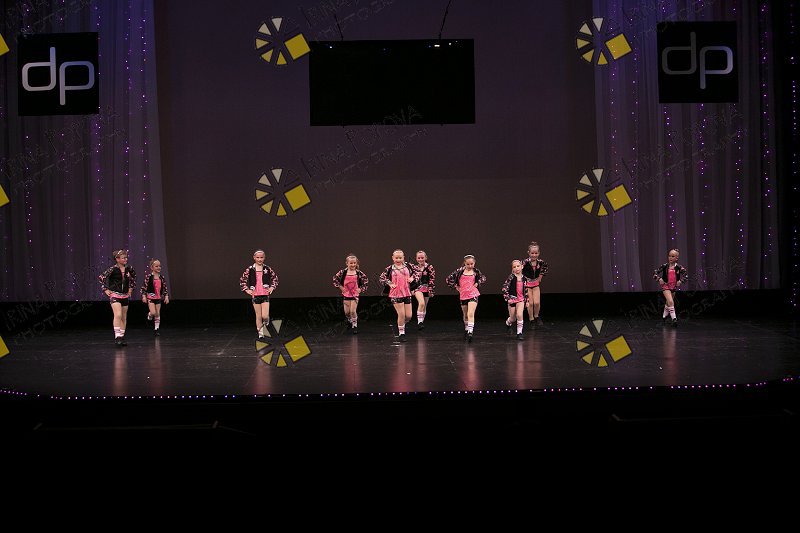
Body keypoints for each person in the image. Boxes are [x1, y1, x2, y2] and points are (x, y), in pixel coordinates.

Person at [379, 249, 420, 342]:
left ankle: (401, 325)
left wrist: (413, 278)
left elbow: (418, 272)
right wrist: (389, 283)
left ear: (403, 258)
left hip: (407, 293)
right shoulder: (390, 268)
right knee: (401, 314)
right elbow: (382, 278)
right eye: (396, 258)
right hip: (395, 294)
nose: (398, 260)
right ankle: (401, 333)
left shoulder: (409, 266)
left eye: (400, 258)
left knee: (408, 316)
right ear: (393, 258)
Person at [99, 249, 136, 346]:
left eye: (126, 257)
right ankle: (117, 336)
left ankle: (122, 336)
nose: (125, 259)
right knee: (118, 315)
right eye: (123, 258)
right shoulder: (112, 269)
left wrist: (131, 289)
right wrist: (105, 289)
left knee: (123, 317)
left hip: (125, 295)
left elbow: (133, 278)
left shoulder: (129, 268)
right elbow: (101, 277)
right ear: (117, 259)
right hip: (115, 294)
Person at [445, 255, 487, 343]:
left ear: (474, 263)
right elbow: (448, 279)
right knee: (465, 314)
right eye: (468, 264)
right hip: (463, 295)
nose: (470, 266)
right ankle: (466, 328)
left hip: (473, 294)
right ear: (464, 263)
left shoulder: (476, 271)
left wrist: (477, 283)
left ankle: (470, 332)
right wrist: (456, 287)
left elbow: (483, 278)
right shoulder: (459, 271)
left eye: (472, 264)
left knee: (470, 313)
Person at [239, 249, 278, 340]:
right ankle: (260, 332)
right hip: (255, 295)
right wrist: (247, 289)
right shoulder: (250, 269)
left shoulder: (267, 268)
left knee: (265, 316)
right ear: (254, 258)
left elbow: (275, 279)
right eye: (258, 257)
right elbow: (242, 280)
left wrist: (272, 287)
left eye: (261, 257)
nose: (259, 259)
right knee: (258, 315)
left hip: (265, 294)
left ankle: (267, 320)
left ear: (264, 258)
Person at [332, 254, 369, 334]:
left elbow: (366, 281)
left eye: (354, 263)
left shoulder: (358, 273)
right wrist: (341, 287)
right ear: (347, 263)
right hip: (346, 294)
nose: (353, 265)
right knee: (347, 312)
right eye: (351, 263)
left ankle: (354, 325)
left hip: (355, 295)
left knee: (352, 311)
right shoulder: (343, 272)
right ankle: (349, 320)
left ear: (356, 263)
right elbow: (335, 279)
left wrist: (361, 289)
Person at [653, 248, 687, 327]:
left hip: (673, 287)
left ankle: (664, 317)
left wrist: (680, 281)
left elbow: (686, 276)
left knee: (668, 303)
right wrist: (659, 279)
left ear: (676, 258)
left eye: (672, 256)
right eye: (669, 256)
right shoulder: (664, 266)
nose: (670, 258)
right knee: (671, 302)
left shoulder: (679, 267)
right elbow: (654, 273)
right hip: (665, 286)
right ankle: (674, 319)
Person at [521, 241, 548, 327]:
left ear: (539, 253)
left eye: (536, 253)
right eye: (532, 253)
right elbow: (518, 270)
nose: (534, 255)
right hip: (527, 284)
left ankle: (536, 316)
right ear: (528, 253)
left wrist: (540, 277)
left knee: (536, 303)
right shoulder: (525, 262)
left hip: (535, 283)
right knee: (530, 303)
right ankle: (531, 319)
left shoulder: (540, 262)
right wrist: (522, 279)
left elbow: (545, 267)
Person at [141, 258, 169, 336]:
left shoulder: (161, 278)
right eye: (156, 266)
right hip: (151, 297)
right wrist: (144, 296)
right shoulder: (149, 277)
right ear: (152, 267)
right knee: (153, 312)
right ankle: (149, 315)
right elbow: (144, 287)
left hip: (158, 298)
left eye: (159, 266)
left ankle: (156, 329)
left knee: (157, 313)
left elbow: (165, 287)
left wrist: (166, 296)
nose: (158, 267)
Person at [502, 260, 528, 340]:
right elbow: (504, 288)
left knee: (519, 315)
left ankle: (519, 333)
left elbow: (526, 290)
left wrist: (527, 300)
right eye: (514, 267)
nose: (516, 268)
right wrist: (507, 298)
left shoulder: (524, 278)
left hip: (521, 299)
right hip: (512, 299)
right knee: (513, 318)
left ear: (522, 267)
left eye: (518, 266)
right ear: (512, 269)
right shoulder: (511, 277)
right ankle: (508, 323)